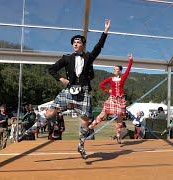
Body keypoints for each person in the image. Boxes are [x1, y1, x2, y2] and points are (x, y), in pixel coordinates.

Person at [18, 20, 111, 159]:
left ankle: (81, 146)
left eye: (78, 42)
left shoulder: (88, 57)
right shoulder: (66, 58)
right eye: (74, 42)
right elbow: (52, 69)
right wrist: (61, 79)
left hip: (84, 92)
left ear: (83, 45)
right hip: (68, 91)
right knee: (49, 113)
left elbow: (98, 47)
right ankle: (28, 132)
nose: (75, 43)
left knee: (85, 120)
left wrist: (105, 31)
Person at [89, 53, 133, 144]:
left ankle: (118, 136)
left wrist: (130, 60)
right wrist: (107, 90)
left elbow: (128, 70)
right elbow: (101, 84)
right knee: (103, 114)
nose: (114, 71)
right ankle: (90, 127)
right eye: (114, 69)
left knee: (120, 119)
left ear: (120, 71)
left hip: (120, 100)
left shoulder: (122, 78)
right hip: (112, 99)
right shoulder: (110, 79)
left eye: (116, 69)